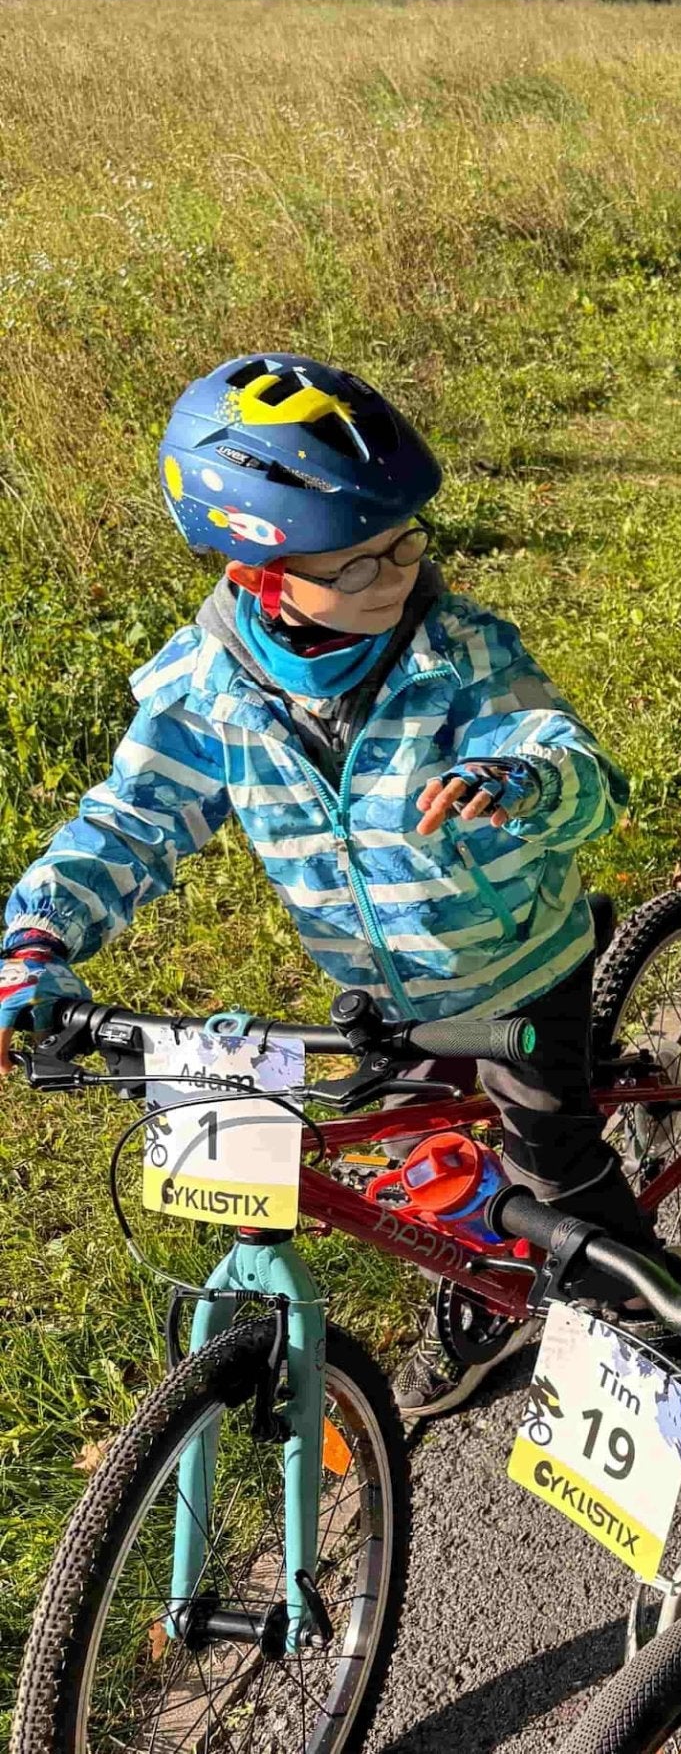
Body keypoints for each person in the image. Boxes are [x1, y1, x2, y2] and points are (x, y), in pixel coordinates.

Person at [0, 354, 642, 1416]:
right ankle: (487, 1294)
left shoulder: (459, 654)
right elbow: (134, 818)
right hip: (383, 996)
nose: (393, 576)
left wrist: (521, 777)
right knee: (419, 1177)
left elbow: (576, 766)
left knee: (556, 1180)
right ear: (255, 573)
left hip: (519, 975)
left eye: (404, 545)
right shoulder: (206, 689)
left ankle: (650, 1346)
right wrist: (37, 932)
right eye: (354, 565)